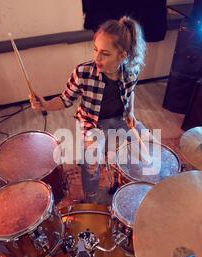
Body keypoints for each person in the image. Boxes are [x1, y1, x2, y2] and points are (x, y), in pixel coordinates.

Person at [30, 16, 148, 203]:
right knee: (91, 163)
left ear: (122, 56)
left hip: (120, 118)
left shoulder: (131, 71)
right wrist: (45, 105)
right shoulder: (82, 72)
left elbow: (130, 92)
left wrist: (131, 112)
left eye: (105, 53)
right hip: (93, 124)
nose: (97, 58)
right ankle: (91, 198)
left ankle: (124, 181)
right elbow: (64, 99)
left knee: (145, 147)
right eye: (95, 50)